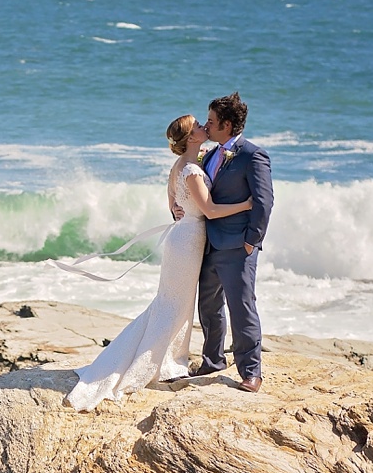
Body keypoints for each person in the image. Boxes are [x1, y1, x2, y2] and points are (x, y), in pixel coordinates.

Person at [64, 116, 251, 411]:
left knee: (171, 303)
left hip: (183, 237)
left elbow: (172, 204)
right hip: (189, 241)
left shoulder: (182, 165)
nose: (205, 126)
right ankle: (161, 364)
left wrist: (180, 210)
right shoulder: (190, 170)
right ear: (191, 138)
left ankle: (168, 360)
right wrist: (246, 204)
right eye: (199, 126)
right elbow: (211, 211)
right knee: (174, 304)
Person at [188, 93, 274, 391]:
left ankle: (251, 371)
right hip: (209, 245)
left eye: (211, 121)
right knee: (209, 307)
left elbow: (264, 202)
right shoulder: (211, 155)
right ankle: (212, 361)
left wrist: (251, 241)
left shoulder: (253, 155)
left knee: (242, 307)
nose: (206, 125)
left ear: (226, 124)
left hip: (238, 246)